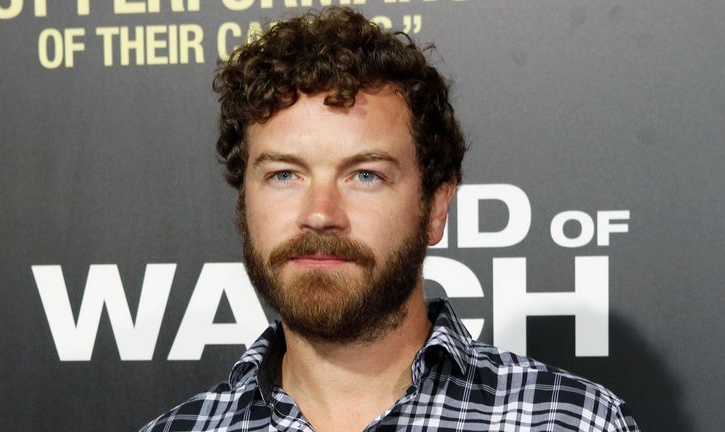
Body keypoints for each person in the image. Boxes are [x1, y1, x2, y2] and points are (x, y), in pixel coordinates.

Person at [140, 7, 639, 432]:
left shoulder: (570, 422)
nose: (319, 214)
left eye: (365, 176)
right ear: (244, 205)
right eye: (285, 175)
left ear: (436, 207)